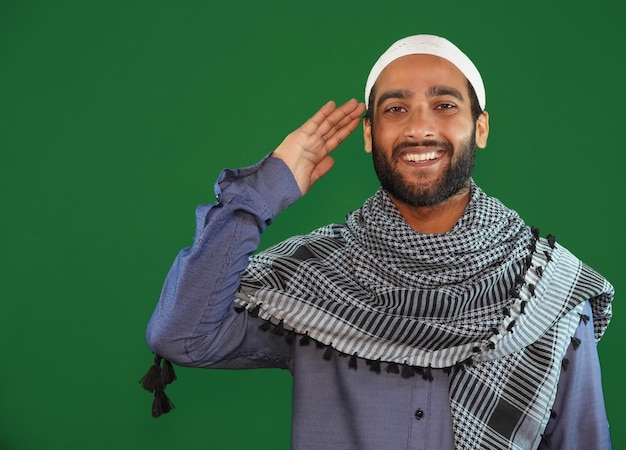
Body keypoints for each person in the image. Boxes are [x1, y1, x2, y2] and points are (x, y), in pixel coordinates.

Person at [144, 35, 614, 449]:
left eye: (445, 105)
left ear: (481, 127)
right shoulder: (317, 280)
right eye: (395, 109)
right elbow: (181, 336)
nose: (418, 129)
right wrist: (264, 191)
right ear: (370, 134)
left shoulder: (545, 291)